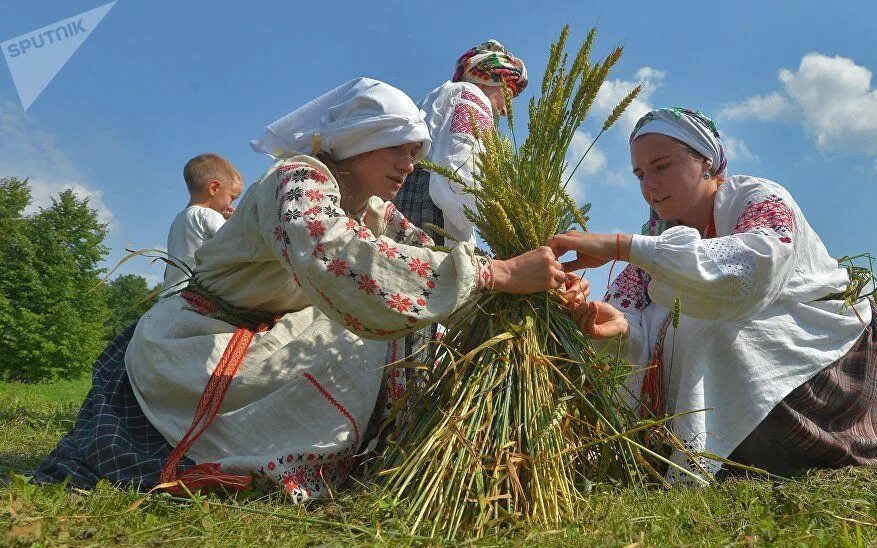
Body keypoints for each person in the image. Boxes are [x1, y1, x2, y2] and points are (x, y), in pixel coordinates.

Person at [33, 77, 578, 503]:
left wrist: (521, 275)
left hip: (259, 333)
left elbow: (421, 255)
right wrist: (495, 275)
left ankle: (359, 450)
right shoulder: (299, 178)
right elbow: (341, 259)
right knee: (361, 323)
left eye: (416, 151)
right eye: (400, 148)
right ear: (361, 140)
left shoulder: (370, 208)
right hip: (201, 341)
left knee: (382, 316)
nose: (410, 165)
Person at [547, 107, 877, 484]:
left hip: (833, 352)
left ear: (707, 163)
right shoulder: (657, 239)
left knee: (707, 330)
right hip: (763, 354)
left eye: (662, 166)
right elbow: (638, 325)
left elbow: (750, 274)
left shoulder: (759, 200)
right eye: (640, 174)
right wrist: (616, 329)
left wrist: (620, 245)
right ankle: (702, 456)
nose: (649, 185)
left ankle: (707, 461)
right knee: (693, 327)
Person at [394, 39, 527, 246]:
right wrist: (498, 221)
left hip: (407, 195)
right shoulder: (472, 96)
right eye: (508, 95)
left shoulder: (443, 94)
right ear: (487, 79)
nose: (506, 109)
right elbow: (462, 167)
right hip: (431, 207)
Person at [163, 154, 243, 289]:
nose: (230, 204)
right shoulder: (208, 215)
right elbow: (236, 244)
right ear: (213, 188)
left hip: (171, 291)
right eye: (232, 198)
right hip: (196, 291)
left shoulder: (179, 219)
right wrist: (235, 222)